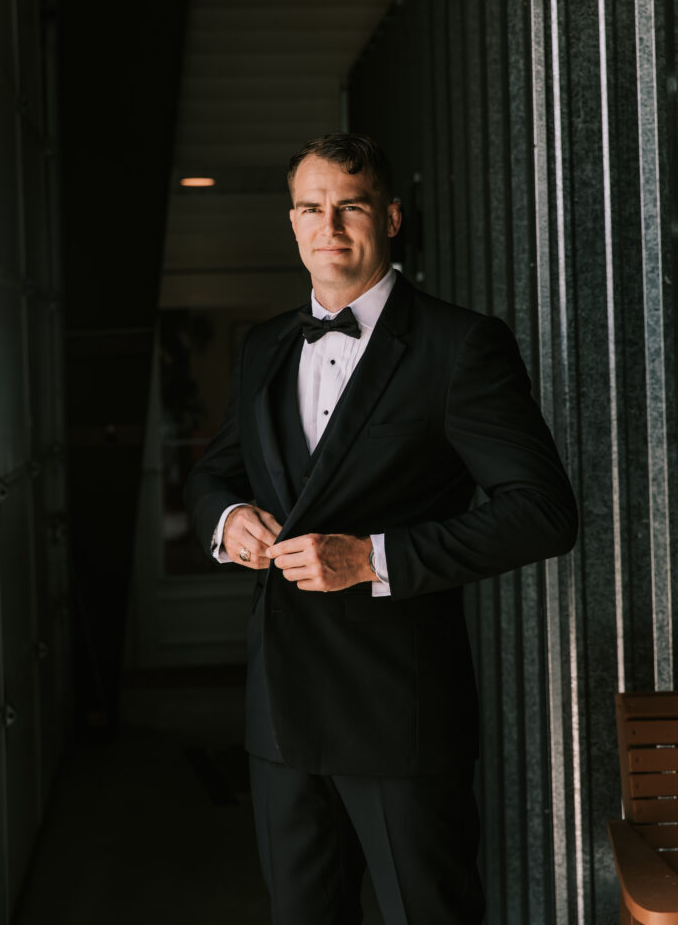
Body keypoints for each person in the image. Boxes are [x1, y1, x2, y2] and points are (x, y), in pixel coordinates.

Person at [184, 133, 577, 924]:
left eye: (350, 206)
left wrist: (371, 557)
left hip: (399, 714)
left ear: (390, 217)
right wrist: (228, 520)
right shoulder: (263, 346)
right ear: (292, 224)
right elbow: (213, 473)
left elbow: (541, 512)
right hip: (279, 714)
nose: (327, 224)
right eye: (309, 207)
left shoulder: (461, 345)